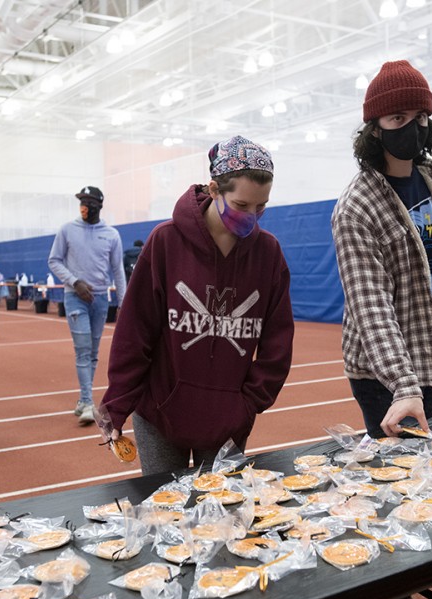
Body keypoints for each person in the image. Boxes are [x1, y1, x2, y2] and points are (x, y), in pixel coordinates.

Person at [331, 60, 432, 599]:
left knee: (418, 489)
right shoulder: (355, 207)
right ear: (372, 127)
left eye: (417, 116)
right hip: (383, 374)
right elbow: (371, 309)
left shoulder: (430, 179)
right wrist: (404, 386)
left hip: (426, 361)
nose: (408, 127)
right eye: (395, 118)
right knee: (387, 493)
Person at [101, 136, 294, 476]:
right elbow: (135, 331)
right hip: (160, 413)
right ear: (215, 189)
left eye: (261, 206)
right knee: (163, 513)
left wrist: (247, 405)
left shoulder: (269, 254)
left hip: (228, 420)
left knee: (221, 519)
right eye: (241, 205)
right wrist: (118, 403)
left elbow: (277, 343)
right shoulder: (165, 242)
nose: (252, 216)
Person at [48, 186, 127, 426]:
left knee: (92, 353)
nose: (84, 206)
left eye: (89, 202)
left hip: (100, 300)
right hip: (75, 298)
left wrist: (123, 303)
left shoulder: (111, 234)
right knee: (83, 349)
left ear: (99, 205)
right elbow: (54, 260)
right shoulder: (67, 230)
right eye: (81, 202)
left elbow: (117, 270)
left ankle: (83, 400)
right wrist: (75, 282)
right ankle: (86, 400)